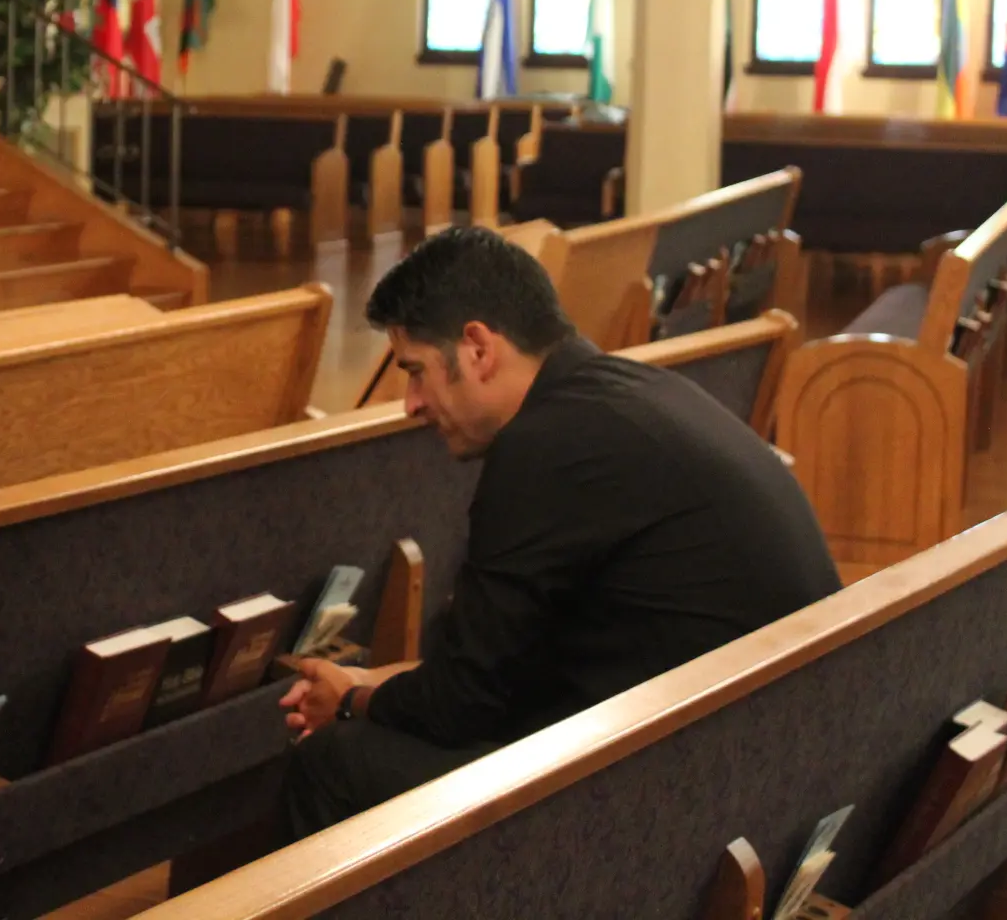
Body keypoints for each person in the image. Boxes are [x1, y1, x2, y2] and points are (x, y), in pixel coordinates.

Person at [278, 227, 840, 838]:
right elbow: (510, 664)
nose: (412, 403)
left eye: (416, 372)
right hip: (780, 758)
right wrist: (371, 682)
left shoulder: (544, 447)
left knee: (332, 764)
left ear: (477, 349)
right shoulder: (628, 392)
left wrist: (353, 701)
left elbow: (462, 706)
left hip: (692, 798)